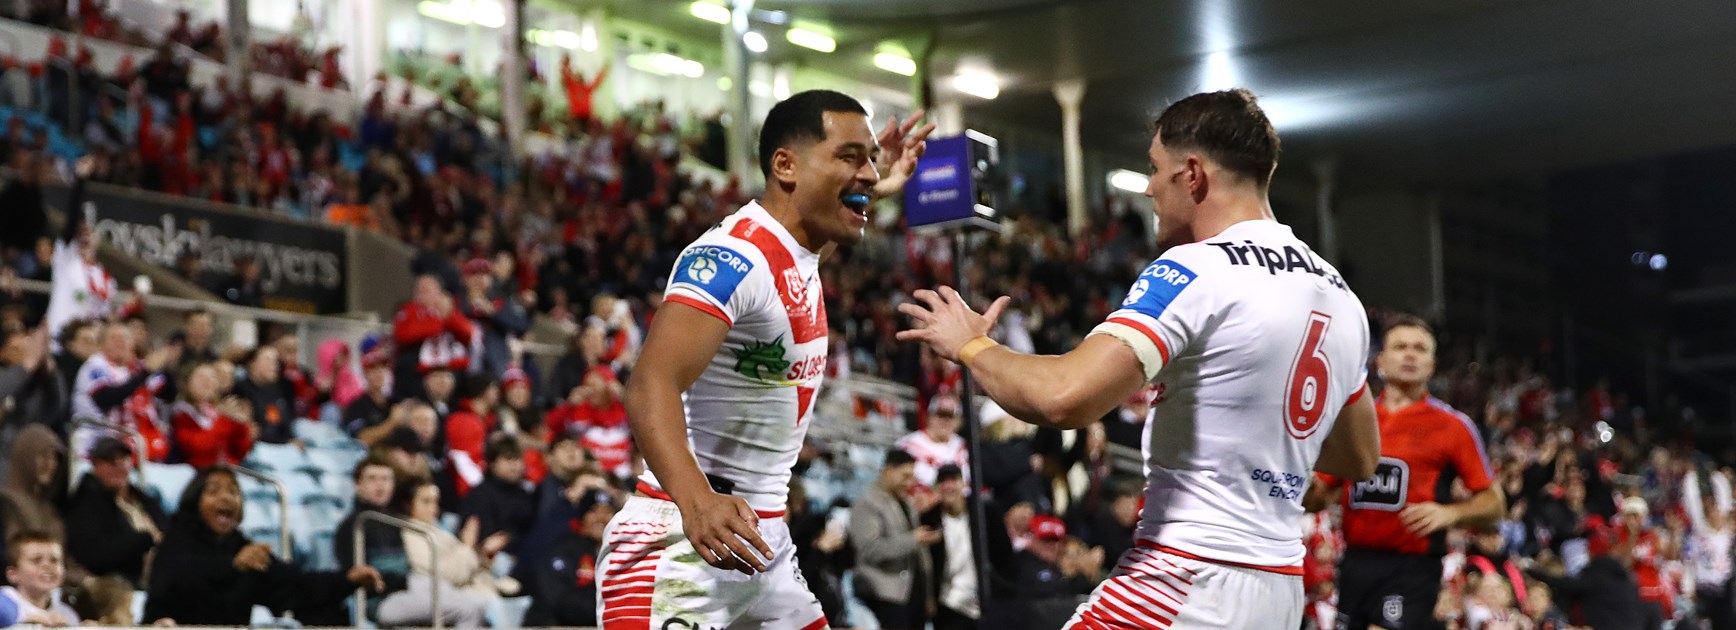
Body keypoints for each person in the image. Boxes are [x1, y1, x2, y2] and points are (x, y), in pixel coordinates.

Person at [896, 89, 1379, 630]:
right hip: (1278, 589)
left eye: (1155, 168)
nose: (1148, 187)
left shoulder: (1198, 269)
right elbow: (1358, 455)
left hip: (1187, 576)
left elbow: (1063, 398)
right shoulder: (1341, 296)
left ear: (1192, 174)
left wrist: (971, 345)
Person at [606, 89, 931, 630]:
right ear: (786, 165)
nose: (869, 173)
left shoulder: (798, 249)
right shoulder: (732, 258)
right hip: (684, 542)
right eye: (851, 156)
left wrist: (879, 183)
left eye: (871, 158)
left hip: (763, 545)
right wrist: (698, 502)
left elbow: (825, 221)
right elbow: (650, 384)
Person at [1302, 316, 1502, 630]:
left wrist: (1449, 514)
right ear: (1380, 361)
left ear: (1432, 365)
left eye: (1420, 349)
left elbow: (1494, 503)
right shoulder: (1353, 418)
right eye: (1401, 347)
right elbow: (1319, 497)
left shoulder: (1453, 427)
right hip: (1355, 562)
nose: (1410, 355)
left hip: (1411, 567)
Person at [143, 467, 385, 625]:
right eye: (213, 491)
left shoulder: (243, 548)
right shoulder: (177, 538)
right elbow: (180, 580)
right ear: (195, 501)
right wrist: (232, 565)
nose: (226, 498)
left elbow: (297, 585)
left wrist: (347, 579)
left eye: (233, 491)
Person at [378, 475, 500, 628]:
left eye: (435, 501)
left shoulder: (438, 530)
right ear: (407, 504)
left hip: (466, 589)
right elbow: (441, 572)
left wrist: (484, 555)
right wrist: (467, 547)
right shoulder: (410, 534)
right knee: (483, 608)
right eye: (426, 501)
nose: (433, 508)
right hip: (435, 592)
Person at [848, 449, 938, 630]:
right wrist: (913, 539)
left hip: (912, 594)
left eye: (912, 477)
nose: (909, 483)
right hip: (885, 595)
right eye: (904, 476)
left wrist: (928, 594)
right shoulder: (867, 503)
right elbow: (869, 550)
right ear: (888, 471)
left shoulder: (905, 502)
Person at [62, 437, 165, 587]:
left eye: (123, 458)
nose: (118, 465)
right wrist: (145, 540)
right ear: (95, 465)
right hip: (121, 584)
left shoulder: (145, 499)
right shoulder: (84, 504)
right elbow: (96, 556)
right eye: (110, 460)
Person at [70, 324, 178, 459]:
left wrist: (165, 366)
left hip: (126, 446)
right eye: (114, 338)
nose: (120, 341)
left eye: (125, 337)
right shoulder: (95, 365)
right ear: (101, 344)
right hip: (94, 443)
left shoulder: (134, 369)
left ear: (132, 345)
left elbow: (168, 394)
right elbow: (106, 398)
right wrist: (146, 372)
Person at [523, 485, 615, 627]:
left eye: (607, 512)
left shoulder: (615, 550)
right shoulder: (562, 548)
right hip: (551, 625)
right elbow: (559, 601)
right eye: (593, 511)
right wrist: (609, 608)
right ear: (582, 516)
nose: (601, 518)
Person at [333, 457, 411, 623]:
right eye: (372, 479)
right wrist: (398, 581)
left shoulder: (396, 521)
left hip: (405, 590)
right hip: (376, 601)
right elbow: (355, 574)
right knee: (464, 609)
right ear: (357, 484)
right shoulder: (353, 525)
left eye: (385, 479)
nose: (380, 485)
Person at [922, 464, 980, 630]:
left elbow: (1002, 555)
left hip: (983, 599)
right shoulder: (929, 519)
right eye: (942, 482)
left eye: (953, 480)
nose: (948, 486)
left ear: (963, 483)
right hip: (949, 603)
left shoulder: (984, 513)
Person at [170, 362, 256, 467]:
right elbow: (198, 449)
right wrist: (224, 420)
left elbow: (240, 452)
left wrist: (243, 428)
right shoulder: (181, 413)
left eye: (212, 377)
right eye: (200, 376)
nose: (207, 381)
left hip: (230, 470)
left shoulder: (220, 411)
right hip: (201, 473)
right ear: (187, 383)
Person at [2, 531, 81, 626]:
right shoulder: (4, 601)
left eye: (54, 560)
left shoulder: (66, 612)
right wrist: (22, 623)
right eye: (36, 560)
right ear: (13, 574)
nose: (47, 565)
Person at [897, 394, 969, 488]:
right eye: (940, 414)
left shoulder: (966, 448)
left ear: (959, 421)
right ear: (928, 416)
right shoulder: (908, 446)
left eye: (950, 416)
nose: (945, 421)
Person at [234, 345, 295, 444]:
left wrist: (290, 440)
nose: (275, 366)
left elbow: (287, 424)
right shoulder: (240, 390)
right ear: (252, 363)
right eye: (268, 360)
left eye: (276, 361)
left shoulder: (280, 389)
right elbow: (251, 432)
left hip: (282, 444)